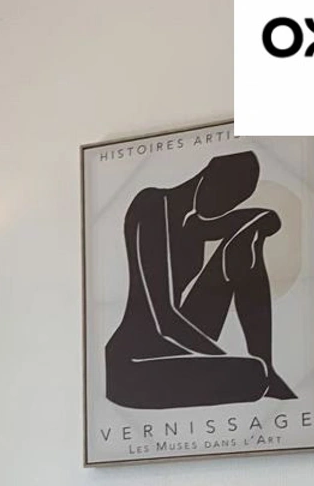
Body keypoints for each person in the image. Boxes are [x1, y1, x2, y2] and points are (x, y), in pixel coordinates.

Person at [104, 150, 296, 410]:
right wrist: (224, 358)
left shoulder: (194, 223)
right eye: (227, 196)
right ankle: (263, 373)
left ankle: (267, 366)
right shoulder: (152, 205)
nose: (226, 206)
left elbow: (237, 227)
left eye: (235, 202)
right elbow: (164, 321)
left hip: (173, 349)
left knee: (245, 239)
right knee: (252, 375)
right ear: (209, 176)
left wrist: (262, 219)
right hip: (133, 366)